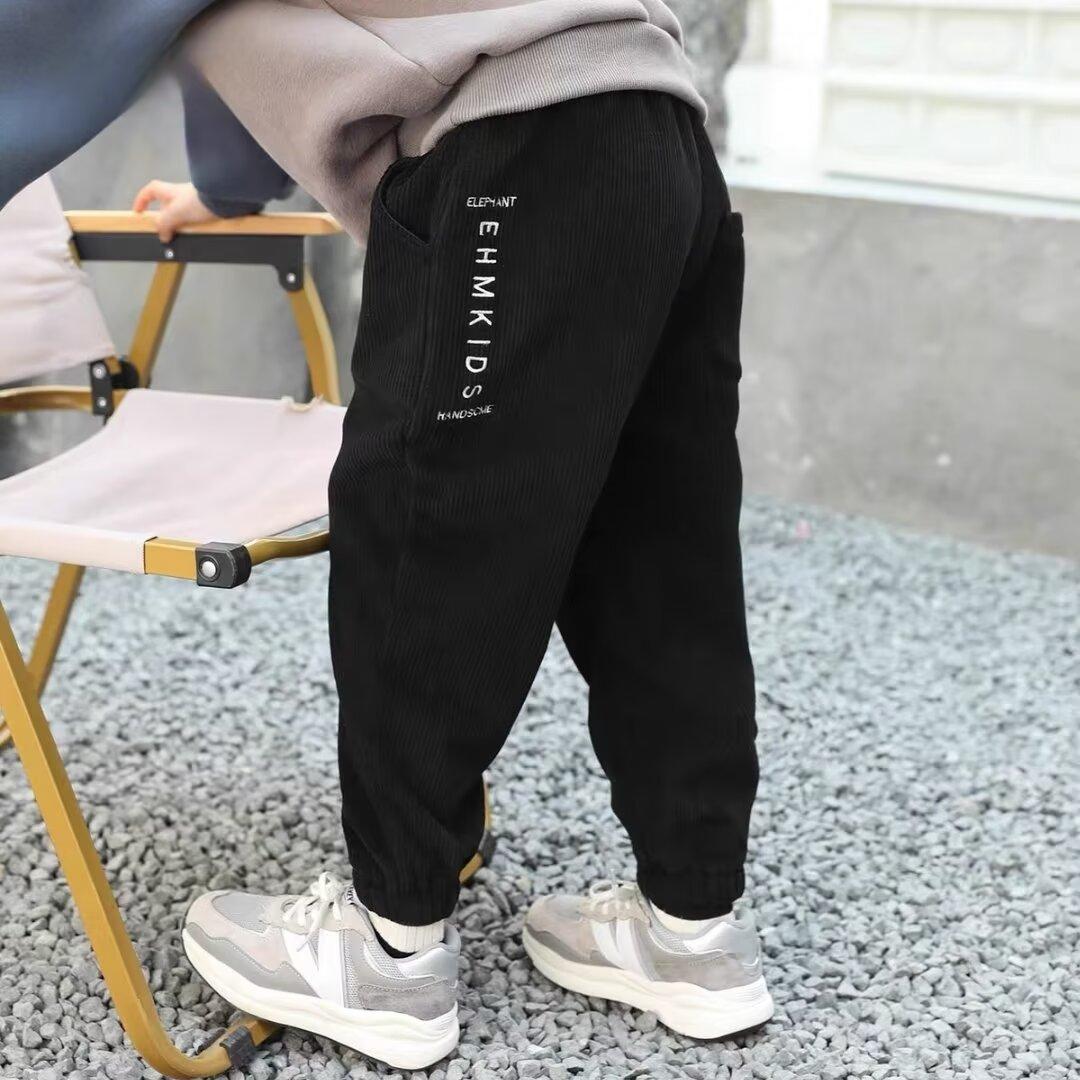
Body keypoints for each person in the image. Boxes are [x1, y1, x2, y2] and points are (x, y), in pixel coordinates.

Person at [137, 2, 773, 1068]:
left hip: (516, 146)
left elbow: (54, 48)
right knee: (660, 548)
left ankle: (391, 950)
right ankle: (694, 928)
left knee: (426, 534)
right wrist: (228, 187)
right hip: (659, 137)